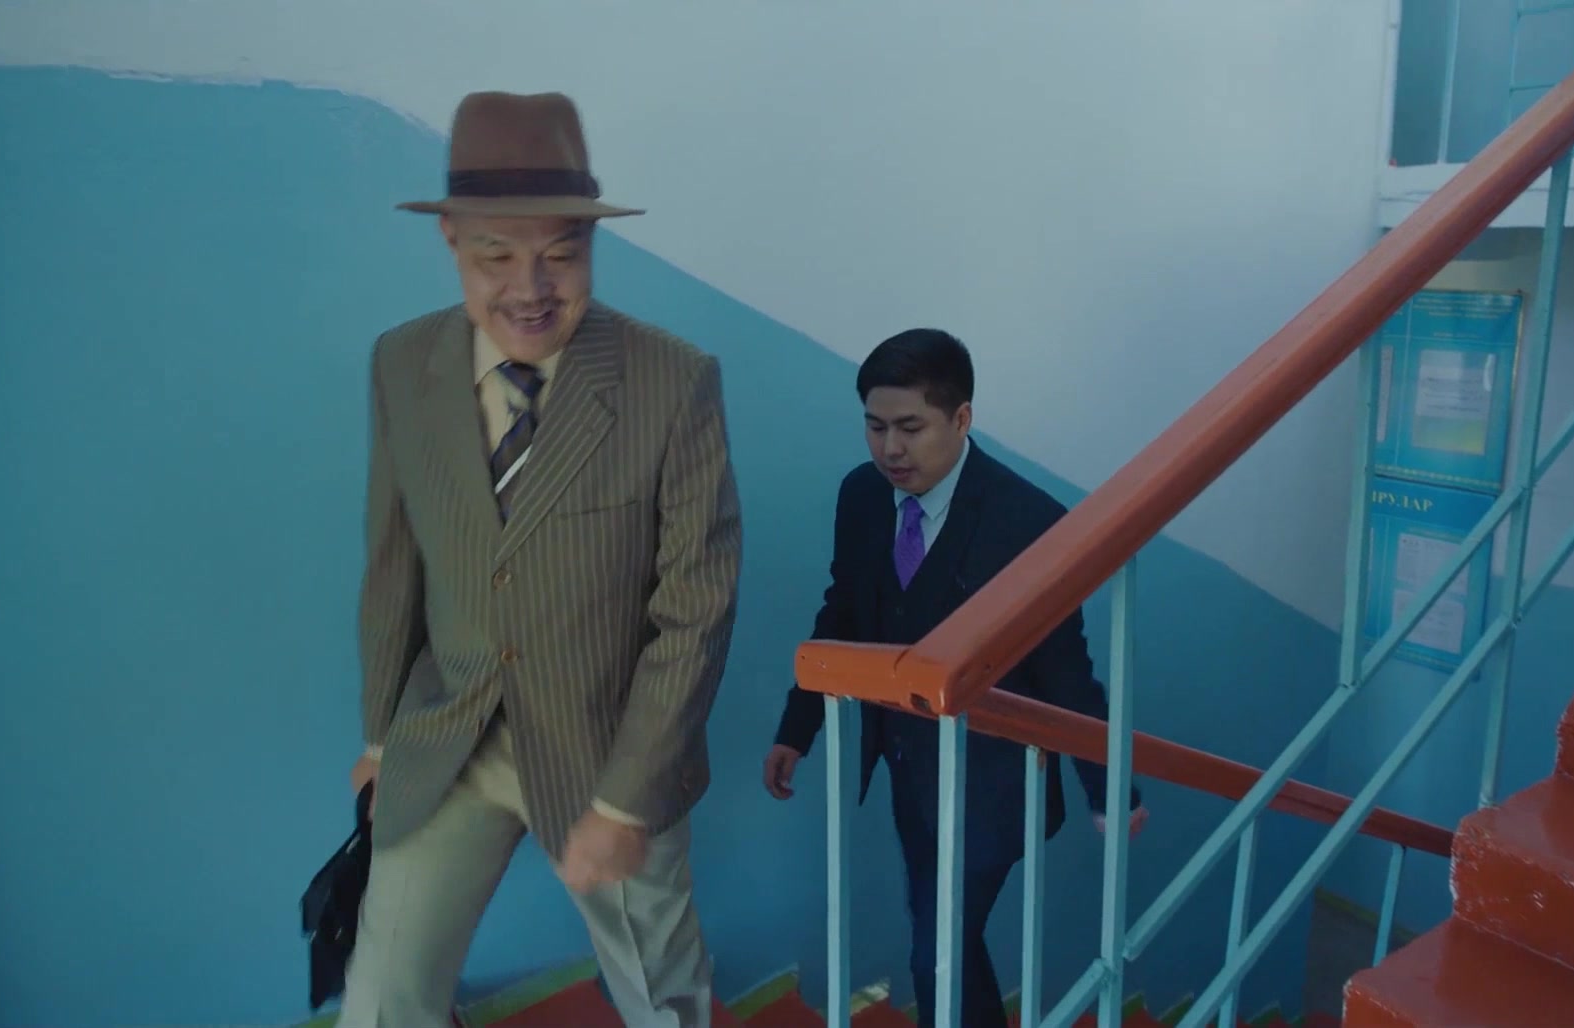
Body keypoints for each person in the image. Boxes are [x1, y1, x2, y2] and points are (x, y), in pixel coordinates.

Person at [337, 91, 742, 1028]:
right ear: (449, 239)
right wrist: (381, 740)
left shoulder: (674, 381)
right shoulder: (401, 365)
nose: (531, 287)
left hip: (611, 752)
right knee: (383, 998)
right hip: (449, 735)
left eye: (562, 254)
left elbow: (696, 611)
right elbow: (393, 567)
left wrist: (627, 804)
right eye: (496, 256)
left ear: (592, 242)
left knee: (664, 999)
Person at [762, 328, 1145, 1028]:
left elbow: (1065, 671)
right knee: (945, 943)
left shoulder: (1029, 522)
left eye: (910, 428)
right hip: (909, 771)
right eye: (875, 427)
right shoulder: (862, 496)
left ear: (961, 418)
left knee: (937, 950)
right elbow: (842, 612)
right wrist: (797, 730)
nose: (890, 449)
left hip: (997, 786)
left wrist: (1109, 787)